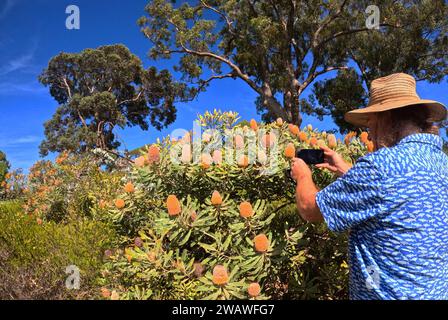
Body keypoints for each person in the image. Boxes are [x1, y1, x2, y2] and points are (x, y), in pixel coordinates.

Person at [290, 72, 448, 300]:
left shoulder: (379, 166)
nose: (370, 135)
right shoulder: (441, 162)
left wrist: (303, 175)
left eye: (371, 124)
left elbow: (309, 208)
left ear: (386, 118)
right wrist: (347, 170)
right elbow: (396, 196)